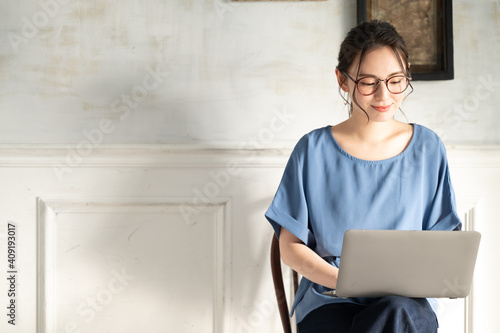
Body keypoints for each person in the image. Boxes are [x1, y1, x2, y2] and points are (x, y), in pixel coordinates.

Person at [265, 20, 462, 333]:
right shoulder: (312, 151)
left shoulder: (428, 148)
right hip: (331, 299)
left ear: (407, 74)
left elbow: (444, 241)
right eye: (369, 82)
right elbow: (290, 248)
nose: (384, 95)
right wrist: (349, 282)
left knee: (396, 311)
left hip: (405, 301)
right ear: (343, 80)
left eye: (396, 80)